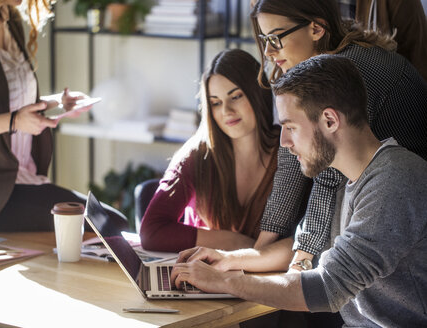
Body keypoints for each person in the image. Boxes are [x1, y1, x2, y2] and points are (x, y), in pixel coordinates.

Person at [172, 55, 427, 328]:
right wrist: (228, 259)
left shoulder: (393, 181)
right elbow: (316, 252)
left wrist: (224, 282)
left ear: (329, 120)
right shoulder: (348, 178)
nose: (284, 142)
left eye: (290, 127)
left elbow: (327, 287)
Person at [250, 0, 427, 270]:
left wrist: (302, 257)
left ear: (316, 29)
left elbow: (329, 173)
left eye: (276, 38)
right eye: (264, 39)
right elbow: (289, 162)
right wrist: (258, 250)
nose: (269, 51)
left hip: (406, 219)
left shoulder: (349, 72)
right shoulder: (320, 70)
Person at [0, 0, 124, 231]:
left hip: (19, 177)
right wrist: (14, 122)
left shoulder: (8, 18)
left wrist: (57, 102)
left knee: (112, 223)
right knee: (109, 225)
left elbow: (4, 99)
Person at [139, 49, 281, 252]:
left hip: (268, 276)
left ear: (257, 92)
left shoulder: (287, 149)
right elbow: (151, 232)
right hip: (205, 274)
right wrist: (235, 242)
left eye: (236, 96)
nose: (226, 111)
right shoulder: (196, 154)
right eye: (215, 103)